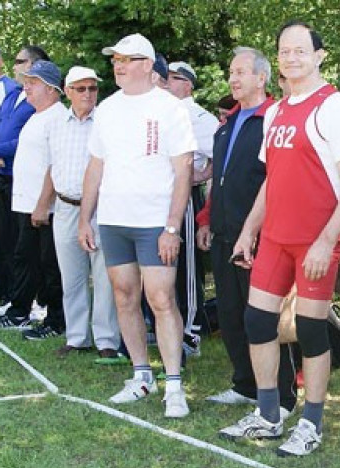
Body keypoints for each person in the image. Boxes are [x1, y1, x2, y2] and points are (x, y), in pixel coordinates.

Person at [219, 21, 340, 457]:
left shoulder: (335, 107)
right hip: (276, 240)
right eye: (284, 51)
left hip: (315, 241)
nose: (291, 57)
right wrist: (249, 231)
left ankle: (311, 422)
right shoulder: (279, 110)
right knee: (258, 323)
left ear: (319, 55)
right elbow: (272, 181)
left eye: (300, 50)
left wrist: (326, 241)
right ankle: (269, 414)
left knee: (311, 330)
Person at [79, 33, 196, 418]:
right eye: (115, 59)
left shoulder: (170, 109)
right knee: (124, 296)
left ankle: (174, 385)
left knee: (161, 299)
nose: (118, 65)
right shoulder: (108, 110)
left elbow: (183, 172)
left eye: (126, 59)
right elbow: (96, 166)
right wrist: (86, 218)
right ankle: (141, 375)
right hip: (114, 221)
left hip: (154, 223)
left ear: (147, 65)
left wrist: (172, 227)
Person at [196, 47, 297, 411]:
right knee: (230, 314)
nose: (233, 79)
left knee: (263, 318)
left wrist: (257, 232)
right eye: (231, 72)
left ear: (261, 77)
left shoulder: (274, 120)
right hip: (223, 236)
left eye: (241, 72)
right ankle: (245, 385)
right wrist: (206, 218)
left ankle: (282, 395)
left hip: (259, 238)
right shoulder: (225, 126)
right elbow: (218, 181)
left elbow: (278, 181)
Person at [43, 66, 120, 358]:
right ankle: (76, 337)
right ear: (67, 91)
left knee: (103, 275)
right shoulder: (56, 123)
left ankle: (107, 341)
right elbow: (53, 167)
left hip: (101, 207)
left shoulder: (107, 122)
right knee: (71, 276)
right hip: (65, 206)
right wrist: (45, 203)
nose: (88, 94)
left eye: (92, 88)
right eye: (81, 89)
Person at [2, 60, 66, 339]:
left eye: (33, 82)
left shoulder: (57, 117)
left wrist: (42, 203)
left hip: (43, 207)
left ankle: (55, 320)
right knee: (24, 259)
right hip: (25, 202)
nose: (26, 87)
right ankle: (19, 311)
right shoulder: (37, 116)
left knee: (48, 264)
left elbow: (55, 165)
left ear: (51, 88)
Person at [168, 61, 218, 353]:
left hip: (185, 196)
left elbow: (219, 157)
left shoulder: (198, 116)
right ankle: (170, 326)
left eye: (173, 79)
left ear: (187, 85)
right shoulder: (166, 112)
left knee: (186, 267)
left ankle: (191, 331)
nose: (166, 83)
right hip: (161, 196)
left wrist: (196, 176)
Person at [0, 46, 48, 310]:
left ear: (34, 65)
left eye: (20, 61)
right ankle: (13, 295)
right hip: (5, 178)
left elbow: (22, 142)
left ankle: (36, 301)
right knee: (9, 243)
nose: (14, 66)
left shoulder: (40, 106)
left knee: (28, 247)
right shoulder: (13, 96)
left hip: (26, 183)